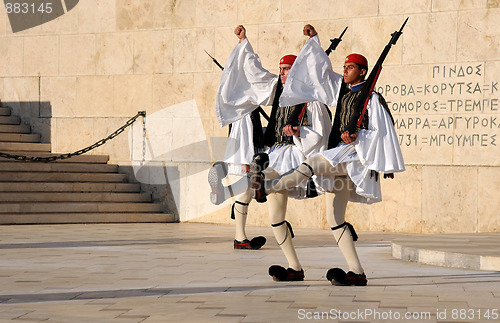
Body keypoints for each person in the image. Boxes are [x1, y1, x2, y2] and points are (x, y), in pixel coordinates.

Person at [249, 25, 405, 285]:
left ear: (363, 72)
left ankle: (266, 185)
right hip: (340, 159)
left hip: (356, 157)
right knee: (335, 219)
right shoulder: (342, 91)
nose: (345, 70)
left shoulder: (373, 99)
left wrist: (360, 140)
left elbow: (383, 132)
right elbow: (319, 73)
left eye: (350, 67)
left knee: (312, 163)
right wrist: (313, 41)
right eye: (344, 67)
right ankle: (350, 272)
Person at [208, 25, 333, 269]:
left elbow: (319, 135)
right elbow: (253, 74)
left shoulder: (312, 101)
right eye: (282, 69)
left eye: (288, 69)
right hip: (275, 152)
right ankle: (293, 267)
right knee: (274, 212)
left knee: (264, 180)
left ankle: (230, 191)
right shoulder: (277, 89)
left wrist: (298, 132)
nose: (283, 73)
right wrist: (245, 43)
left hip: (296, 155)